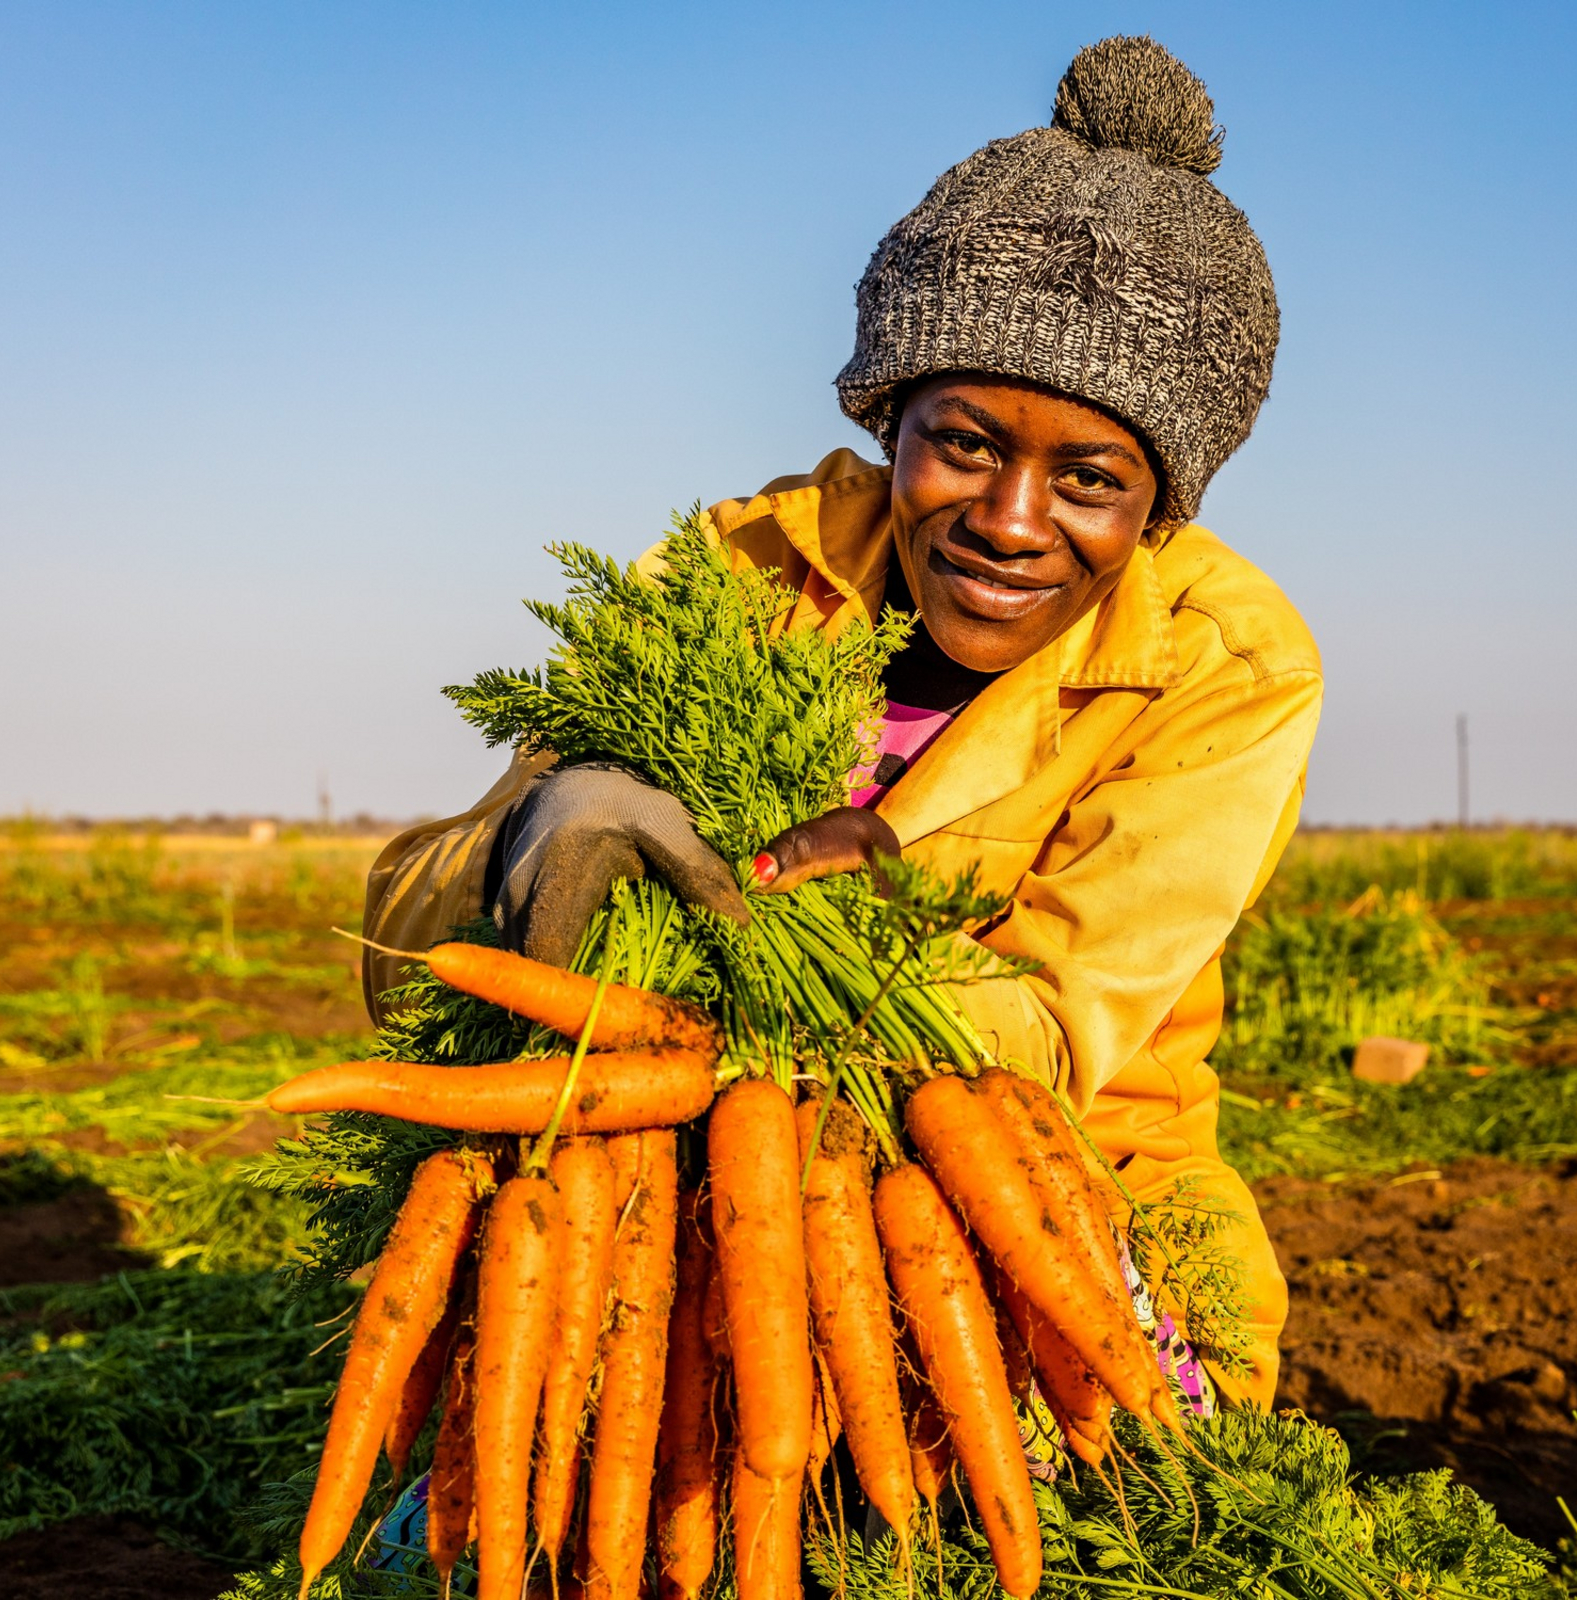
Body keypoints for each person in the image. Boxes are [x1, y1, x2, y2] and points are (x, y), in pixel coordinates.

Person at [361, 35, 1320, 1417]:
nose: (1006, 519)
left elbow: (1059, 1024)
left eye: (1090, 476)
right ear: (892, 422)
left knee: (1089, 1481)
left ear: (1162, 508)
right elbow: (410, 948)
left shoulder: (1226, 663)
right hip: (662, 1192)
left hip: (1061, 1200)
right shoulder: (734, 577)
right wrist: (531, 847)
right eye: (967, 442)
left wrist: (878, 935)